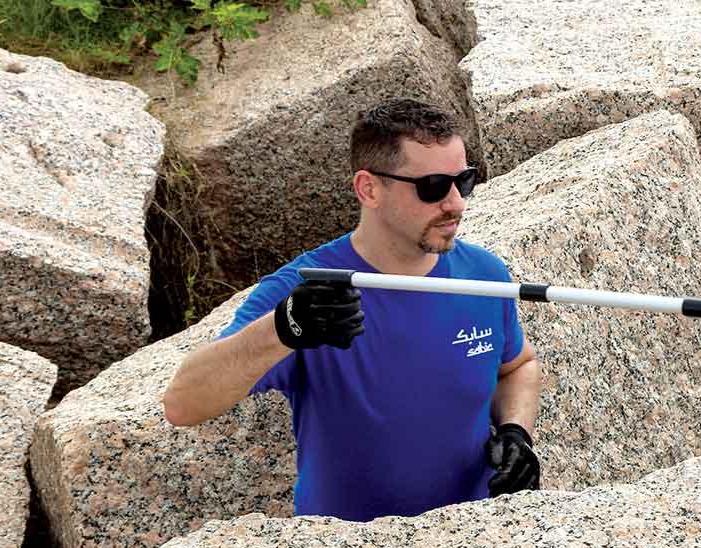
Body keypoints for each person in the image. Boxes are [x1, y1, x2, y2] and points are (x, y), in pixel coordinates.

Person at [162, 98, 542, 522]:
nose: (456, 204)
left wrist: (515, 432)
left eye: (464, 181)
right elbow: (183, 404)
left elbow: (517, 367)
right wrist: (283, 328)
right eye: (433, 186)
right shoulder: (309, 289)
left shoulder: (483, 275)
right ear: (369, 188)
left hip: (470, 538)